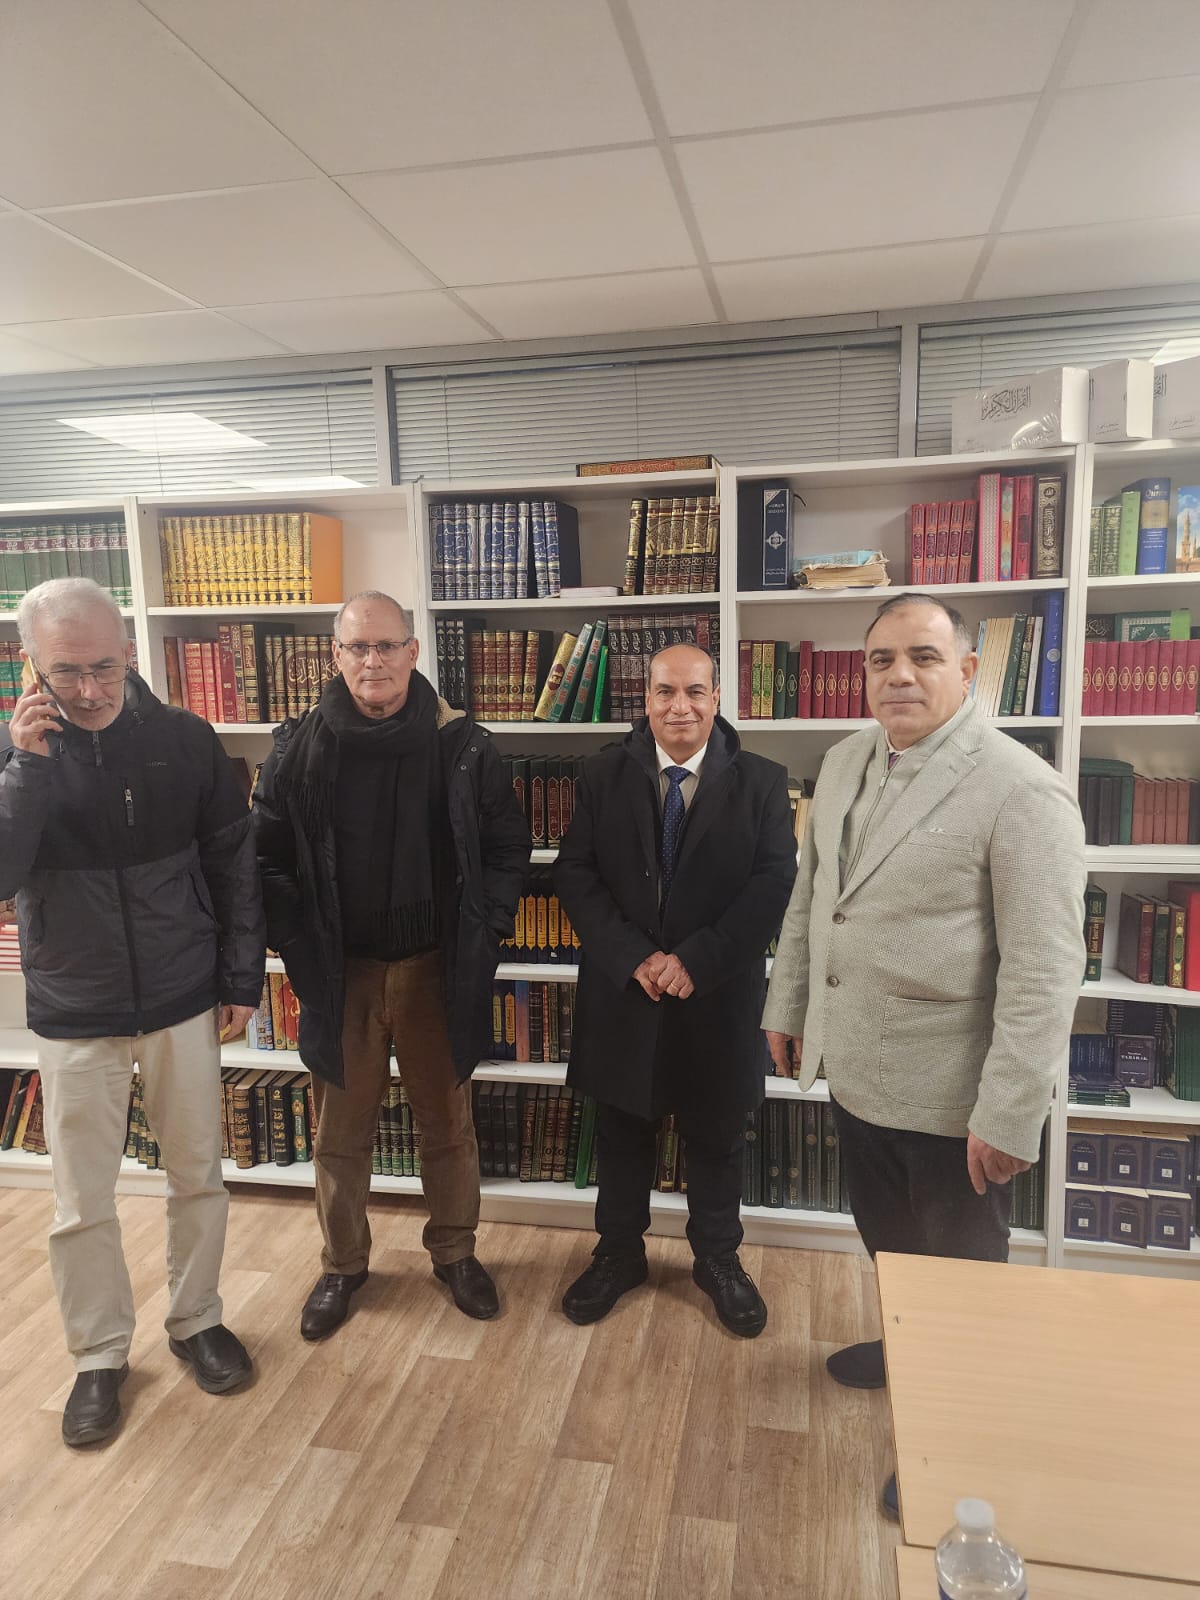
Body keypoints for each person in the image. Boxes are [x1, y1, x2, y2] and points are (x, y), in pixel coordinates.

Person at [763, 593, 1086, 1515]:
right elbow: (813, 895)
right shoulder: (845, 760)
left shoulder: (1022, 789)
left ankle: (966, 1447)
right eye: (881, 660)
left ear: (968, 671)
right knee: (890, 1243)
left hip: (955, 1095)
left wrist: (1011, 1111)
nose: (899, 675)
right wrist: (788, 1002)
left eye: (924, 657)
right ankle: (911, 1348)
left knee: (964, 1284)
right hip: (858, 1068)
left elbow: (1044, 968)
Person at [0, 577, 264, 1446]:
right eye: (65, 672)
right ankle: (98, 1354)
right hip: (74, 1004)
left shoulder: (184, 739)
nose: (88, 690)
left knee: (199, 1173)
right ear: (29, 664)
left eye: (104, 668)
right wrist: (27, 769)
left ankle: (197, 1319)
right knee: (81, 1198)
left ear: (128, 652)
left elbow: (233, 866)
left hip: (183, 993)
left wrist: (240, 979)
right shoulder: (13, 754)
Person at [253, 591, 528, 1337]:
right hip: (340, 972)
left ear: (413, 651)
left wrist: (488, 928)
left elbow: (507, 848)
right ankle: (342, 1264)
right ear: (335, 656)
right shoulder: (297, 748)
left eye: (385, 646)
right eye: (356, 648)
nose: (371, 661)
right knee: (340, 1135)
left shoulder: (464, 746)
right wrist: (298, 943)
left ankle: (455, 1253)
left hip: (437, 968)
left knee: (448, 1125)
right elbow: (266, 857)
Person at [554, 643, 797, 1336]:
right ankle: (618, 1254)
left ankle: (718, 1260)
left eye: (694, 692)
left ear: (717, 698)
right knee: (621, 1135)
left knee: (717, 1137)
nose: (679, 706)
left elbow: (773, 886)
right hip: (625, 990)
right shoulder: (602, 774)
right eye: (665, 691)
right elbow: (576, 874)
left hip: (715, 993)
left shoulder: (762, 782)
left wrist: (695, 960)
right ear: (648, 698)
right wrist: (636, 958)